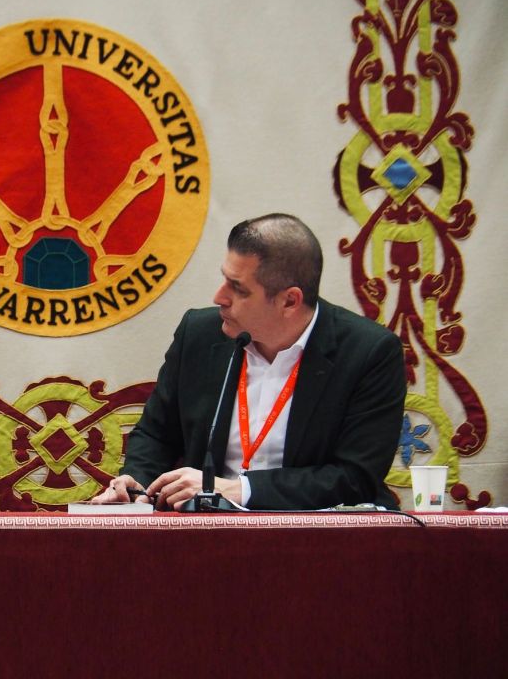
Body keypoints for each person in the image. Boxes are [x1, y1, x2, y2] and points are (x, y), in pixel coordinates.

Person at [94, 213, 405, 510]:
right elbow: (156, 434)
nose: (219, 297)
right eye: (224, 279)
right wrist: (137, 484)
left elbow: (355, 478)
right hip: (206, 535)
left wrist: (240, 489)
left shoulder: (369, 352)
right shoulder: (199, 334)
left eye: (238, 289)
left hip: (317, 541)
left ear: (289, 301)